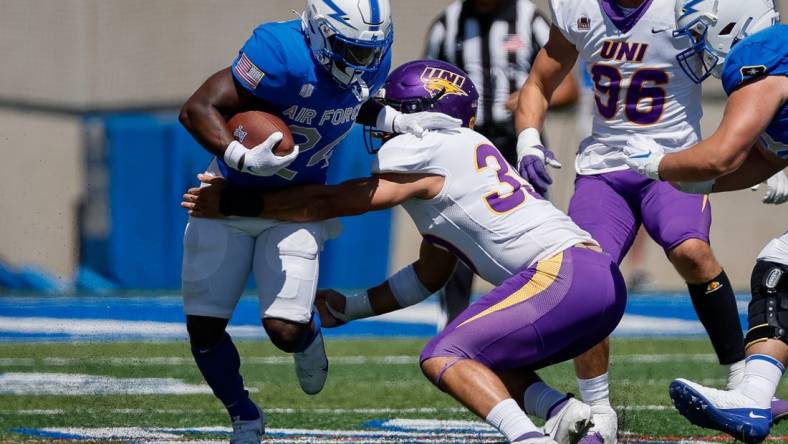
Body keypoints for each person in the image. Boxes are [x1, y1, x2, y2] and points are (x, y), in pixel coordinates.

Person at [182, 59, 627, 444]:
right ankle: (561, 412)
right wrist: (350, 307)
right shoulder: (471, 151)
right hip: (597, 280)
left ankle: (527, 437)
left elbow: (328, 202)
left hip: (560, 276)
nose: (384, 120)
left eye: (396, 108)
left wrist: (235, 203)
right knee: (481, 350)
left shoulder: (425, 150)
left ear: (422, 113)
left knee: (443, 355)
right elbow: (429, 274)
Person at [177, 1, 460, 442]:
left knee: (285, 330)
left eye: (369, 51)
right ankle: (244, 416)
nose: (361, 61)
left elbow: (353, 101)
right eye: (349, 48)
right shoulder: (278, 52)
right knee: (205, 327)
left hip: (297, 204)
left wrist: (395, 118)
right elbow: (197, 108)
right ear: (316, 31)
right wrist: (241, 154)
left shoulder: (371, 54)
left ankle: (308, 335)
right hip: (227, 197)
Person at [509, 0, 783, 440]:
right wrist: (527, 138)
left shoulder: (690, 8)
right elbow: (540, 81)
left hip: (674, 160)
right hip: (604, 166)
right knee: (588, 277)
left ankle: (744, 386)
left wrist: (776, 151)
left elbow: (749, 74)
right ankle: (598, 410)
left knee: (691, 250)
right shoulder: (577, 9)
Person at [621, 1, 785, 441]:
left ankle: (752, 396)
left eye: (699, 32)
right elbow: (766, 158)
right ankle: (752, 395)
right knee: (780, 266)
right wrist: (698, 185)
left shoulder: (763, 52)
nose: (699, 44)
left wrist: (662, 164)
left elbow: (724, 153)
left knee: (780, 272)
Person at [424, 0, 579, 328]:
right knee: (456, 235)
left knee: (535, 238)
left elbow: (569, 89)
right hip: (464, 149)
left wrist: (528, 99)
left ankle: (536, 322)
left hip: (519, 146)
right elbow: (423, 90)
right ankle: (452, 326)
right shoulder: (446, 24)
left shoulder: (530, 19)